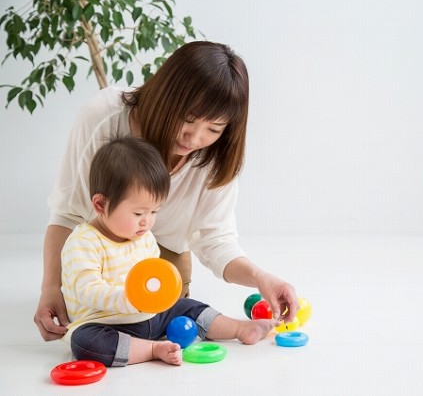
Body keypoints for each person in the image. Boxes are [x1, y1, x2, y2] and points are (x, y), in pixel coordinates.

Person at [35, 41, 299, 341]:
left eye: (214, 129)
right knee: (98, 323)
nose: (195, 138)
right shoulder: (106, 116)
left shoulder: (216, 157)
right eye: (187, 118)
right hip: (101, 252)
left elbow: (216, 240)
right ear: (165, 94)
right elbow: (67, 213)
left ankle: (232, 329)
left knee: (170, 310)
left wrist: (261, 278)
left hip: (159, 259)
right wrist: (50, 289)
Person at [62, 137, 275, 367]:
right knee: (84, 342)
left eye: (154, 211)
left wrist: (161, 295)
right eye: (138, 213)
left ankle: (239, 328)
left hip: (151, 315)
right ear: (100, 205)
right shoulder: (83, 242)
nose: (147, 222)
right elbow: (87, 290)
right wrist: (131, 300)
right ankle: (151, 349)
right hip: (107, 322)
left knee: (187, 306)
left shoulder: (142, 237)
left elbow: (154, 274)